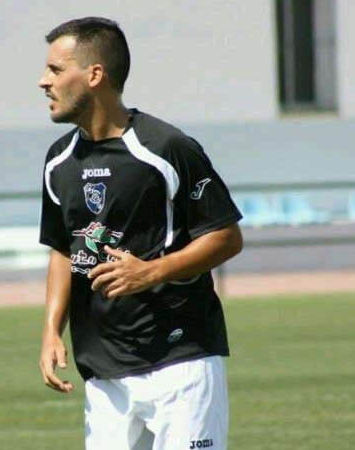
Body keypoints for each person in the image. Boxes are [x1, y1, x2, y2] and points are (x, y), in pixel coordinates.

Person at [37, 17, 244, 450]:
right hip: (104, 370)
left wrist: (152, 272)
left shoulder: (166, 148)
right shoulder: (59, 161)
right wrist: (52, 330)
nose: (44, 82)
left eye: (56, 70)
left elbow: (226, 236)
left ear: (94, 75)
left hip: (180, 361)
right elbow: (61, 248)